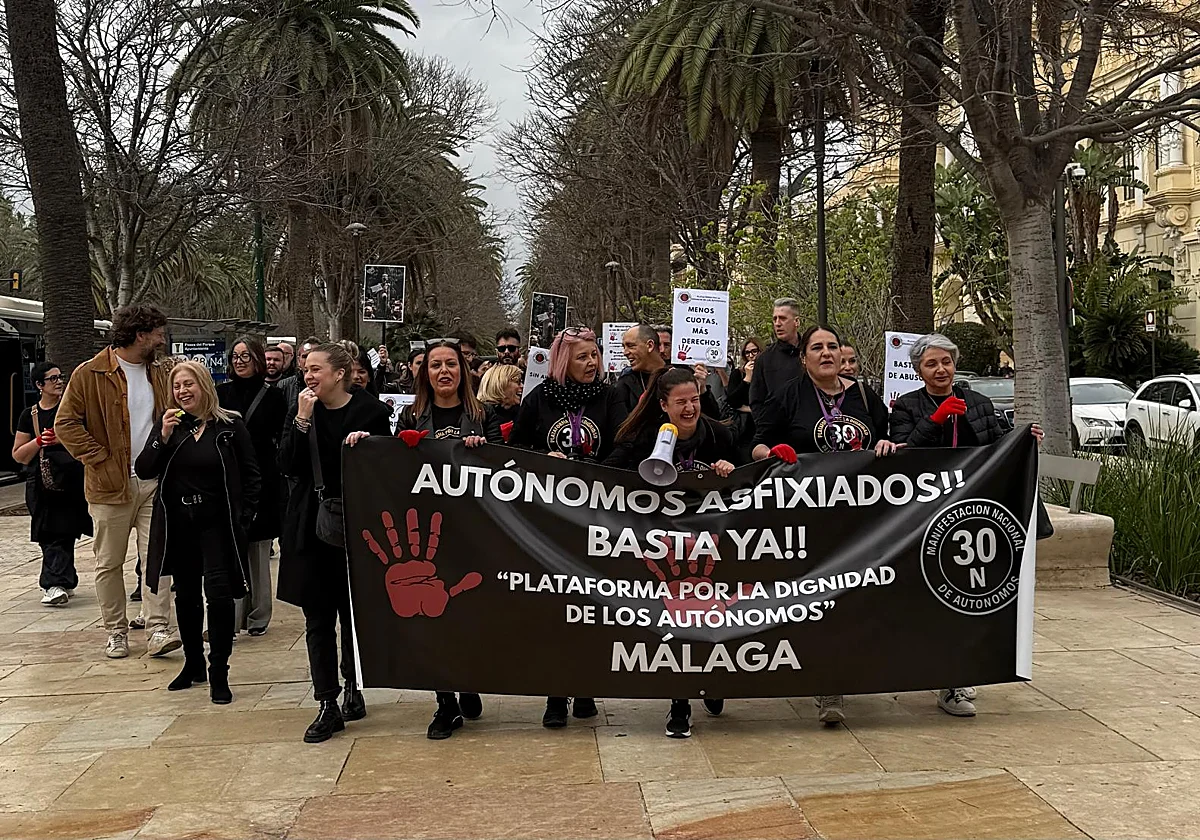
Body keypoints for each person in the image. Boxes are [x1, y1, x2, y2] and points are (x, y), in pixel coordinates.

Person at [890, 332, 1044, 718]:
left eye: (946, 362)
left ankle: (956, 680)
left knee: (964, 599)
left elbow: (996, 447)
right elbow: (902, 454)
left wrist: (1023, 440)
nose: (940, 369)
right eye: (931, 364)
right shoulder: (906, 406)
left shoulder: (977, 401)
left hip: (970, 519)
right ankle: (935, 670)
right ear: (918, 370)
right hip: (925, 518)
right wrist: (935, 420)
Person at [752, 325, 897, 727]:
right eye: (817, 347)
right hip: (809, 520)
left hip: (862, 519)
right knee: (820, 602)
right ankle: (828, 685)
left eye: (833, 346)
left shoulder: (864, 396)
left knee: (856, 600)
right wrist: (773, 452)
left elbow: (890, 440)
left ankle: (853, 671)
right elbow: (756, 443)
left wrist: (886, 447)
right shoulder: (788, 396)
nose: (827, 353)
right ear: (804, 358)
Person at [602, 366, 738, 738]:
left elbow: (749, 477)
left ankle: (714, 683)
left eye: (695, 399)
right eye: (681, 403)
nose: (691, 408)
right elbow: (605, 476)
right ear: (663, 406)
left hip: (712, 544)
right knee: (677, 625)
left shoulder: (719, 434)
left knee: (712, 620)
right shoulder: (642, 437)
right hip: (665, 549)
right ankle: (680, 703)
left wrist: (730, 468)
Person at [510, 326, 625, 728]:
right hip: (551, 519)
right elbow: (517, 447)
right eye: (582, 357)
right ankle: (556, 693)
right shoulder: (540, 398)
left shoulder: (610, 396)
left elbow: (624, 445)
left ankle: (586, 686)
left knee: (591, 606)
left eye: (595, 355)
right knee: (558, 607)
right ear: (563, 361)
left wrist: (595, 472)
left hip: (598, 515)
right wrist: (545, 457)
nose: (592, 363)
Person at [279, 343, 391, 743]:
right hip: (310, 523)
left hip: (356, 525)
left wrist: (371, 447)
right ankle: (326, 701)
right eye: (305, 369)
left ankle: (352, 685)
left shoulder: (372, 412)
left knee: (352, 613)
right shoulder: (300, 411)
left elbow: (387, 471)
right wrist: (302, 421)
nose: (308, 376)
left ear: (339, 373)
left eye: (316, 369)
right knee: (318, 616)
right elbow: (286, 464)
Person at [56, 304, 179, 660]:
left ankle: (158, 629)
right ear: (140, 335)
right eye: (157, 332)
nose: (161, 338)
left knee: (156, 557)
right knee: (108, 563)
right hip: (109, 487)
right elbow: (65, 424)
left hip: (154, 482)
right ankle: (116, 631)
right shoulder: (89, 373)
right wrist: (100, 458)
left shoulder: (160, 371)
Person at [135, 362, 260, 704]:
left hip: (217, 522)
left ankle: (219, 669)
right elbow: (144, 468)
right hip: (179, 522)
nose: (183, 392)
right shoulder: (169, 426)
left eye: (189, 385)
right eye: (177, 387)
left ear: (204, 386)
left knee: (219, 595)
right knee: (186, 595)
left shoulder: (229, 425)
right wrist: (161, 437)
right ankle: (193, 664)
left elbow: (252, 475)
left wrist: (245, 517)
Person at [393, 338, 497, 739]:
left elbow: (508, 468)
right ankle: (445, 702)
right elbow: (392, 466)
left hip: (472, 532)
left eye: (450, 364)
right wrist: (363, 444)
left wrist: (483, 451)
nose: (443, 372)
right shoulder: (411, 416)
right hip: (427, 538)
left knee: (468, 614)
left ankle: (468, 679)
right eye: (435, 365)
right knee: (433, 616)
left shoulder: (481, 415)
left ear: (463, 370)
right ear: (425, 373)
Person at [217, 337, 285, 637]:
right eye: (235, 356)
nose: (240, 360)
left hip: (263, 478)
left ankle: (258, 615)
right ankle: (233, 616)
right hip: (228, 478)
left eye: (246, 355)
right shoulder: (221, 394)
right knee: (231, 548)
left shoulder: (275, 396)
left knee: (258, 552)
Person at [12, 362, 91, 606]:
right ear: (39, 385)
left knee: (65, 531)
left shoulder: (73, 410)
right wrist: (40, 441)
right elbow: (19, 455)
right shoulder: (30, 415)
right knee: (50, 533)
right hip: (42, 484)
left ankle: (60, 580)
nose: (59, 382)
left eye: (60, 377)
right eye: (52, 378)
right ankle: (56, 582)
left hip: (70, 481)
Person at [723, 338, 763, 463]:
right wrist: (747, 379)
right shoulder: (738, 373)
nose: (751, 356)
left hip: (763, 426)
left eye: (754, 351)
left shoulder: (768, 372)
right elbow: (733, 401)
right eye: (747, 353)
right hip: (744, 429)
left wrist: (750, 408)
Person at [477, 363, 523, 433]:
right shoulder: (478, 416)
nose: (522, 386)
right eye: (518, 382)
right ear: (500, 384)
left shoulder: (521, 414)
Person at [279, 337, 320, 410]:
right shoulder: (284, 385)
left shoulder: (330, 384)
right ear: (298, 360)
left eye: (314, 355)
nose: (309, 359)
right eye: (305, 356)